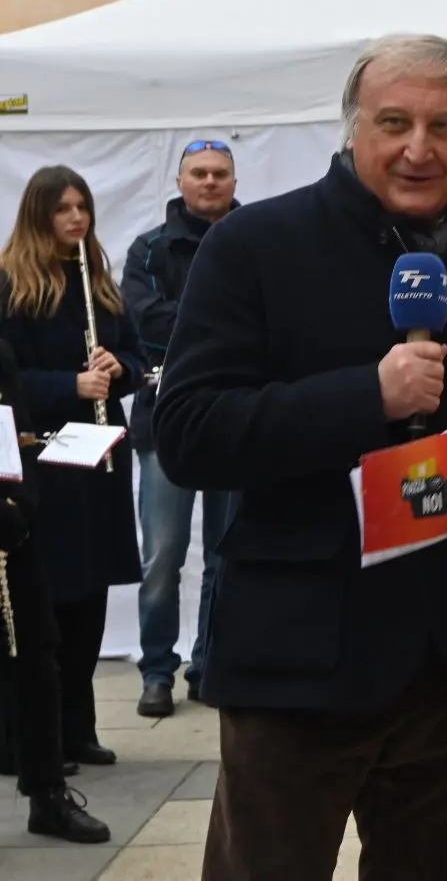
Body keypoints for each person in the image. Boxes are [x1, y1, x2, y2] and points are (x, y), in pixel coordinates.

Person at [151, 34, 447, 880]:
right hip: (297, 663)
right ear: (353, 127)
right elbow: (188, 432)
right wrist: (368, 396)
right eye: (394, 122)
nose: (418, 148)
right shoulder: (254, 247)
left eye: (445, 126)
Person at [0, 166, 143, 773]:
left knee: (90, 597)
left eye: (82, 206)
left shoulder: (97, 279)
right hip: (45, 457)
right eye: (62, 209)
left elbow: (137, 356)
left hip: (98, 457)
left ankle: (78, 729)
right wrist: (70, 385)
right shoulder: (11, 285)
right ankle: (38, 738)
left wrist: (117, 368)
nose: (76, 218)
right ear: (39, 214)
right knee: (49, 601)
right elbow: (8, 381)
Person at [123, 139, 242, 717]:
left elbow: (270, 317)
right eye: (199, 173)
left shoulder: (256, 240)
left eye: (219, 173)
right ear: (180, 181)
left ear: (234, 181)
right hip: (165, 421)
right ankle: (156, 671)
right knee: (162, 558)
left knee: (227, 553)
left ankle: (208, 665)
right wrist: (225, 324)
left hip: (237, 417)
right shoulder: (149, 248)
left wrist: (193, 327)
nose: (209, 182)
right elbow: (144, 323)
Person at [0, 337, 112, 843]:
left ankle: (46, 795)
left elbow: (17, 428)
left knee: (37, 658)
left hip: (12, 524)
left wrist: (21, 503)